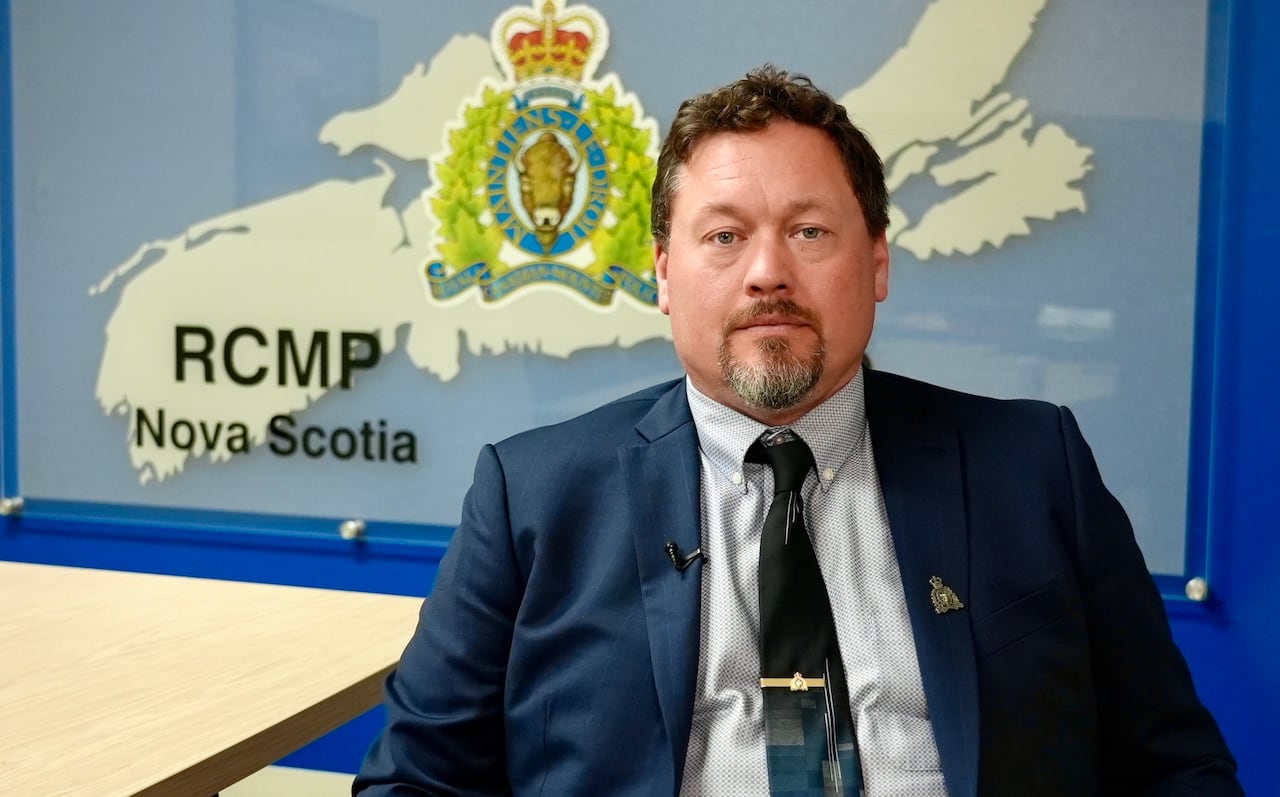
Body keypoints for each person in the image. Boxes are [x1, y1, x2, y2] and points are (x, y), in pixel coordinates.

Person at [354, 66, 1242, 796]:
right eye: (725, 236)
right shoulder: (533, 495)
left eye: (810, 231)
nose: (768, 273)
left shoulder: (1032, 465)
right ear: (664, 274)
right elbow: (414, 782)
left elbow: (1177, 768)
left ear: (878, 261)